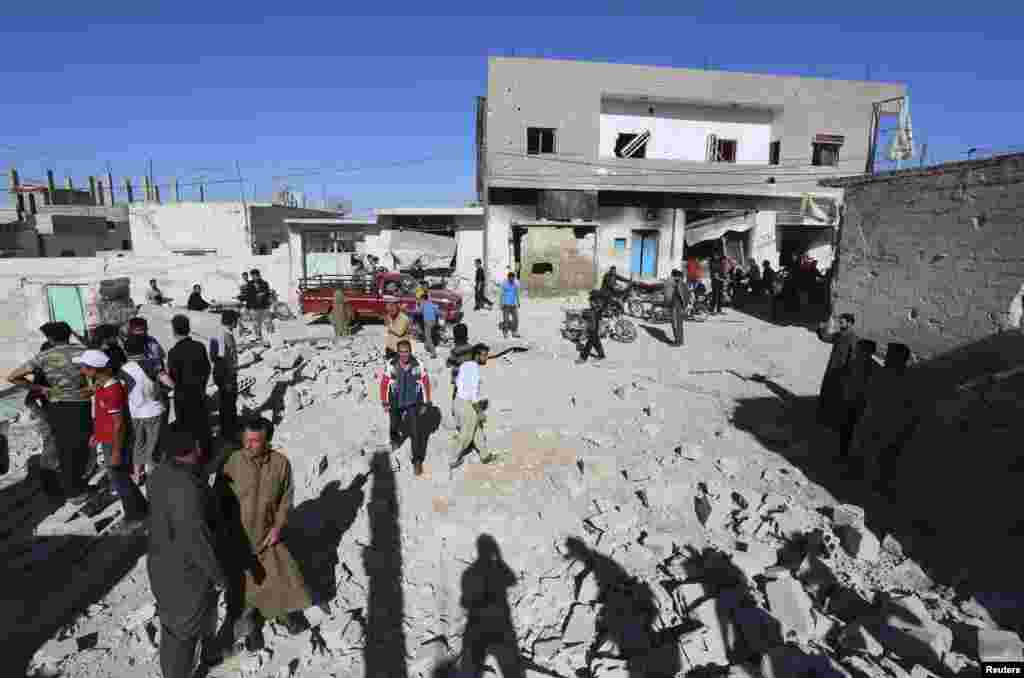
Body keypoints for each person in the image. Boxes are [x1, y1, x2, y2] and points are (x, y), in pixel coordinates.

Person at [215, 417, 312, 645]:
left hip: (268, 536)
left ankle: (284, 615)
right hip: (238, 538)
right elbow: (218, 499)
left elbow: (285, 501)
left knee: (277, 578)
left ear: (267, 441)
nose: (248, 445)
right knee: (244, 588)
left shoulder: (281, 464)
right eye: (246, 440)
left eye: (255, 441)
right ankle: (250, 629)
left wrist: (278, 527)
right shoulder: (232, 462)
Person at [147, 425, 225, 678]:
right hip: (186, 574)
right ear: (197, 449)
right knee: (181, 633)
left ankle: (211, 653)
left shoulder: (159, 474)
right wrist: (219, 576)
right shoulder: (187, 489)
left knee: (204, 609)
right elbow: (197, 542)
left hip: (162, 563)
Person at [8, 321, 93, 503]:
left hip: (57, 407)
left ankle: (73, 490)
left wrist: (42, 389)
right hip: (81, 404)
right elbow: (104, 371)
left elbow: (13, 377)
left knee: (64, 448)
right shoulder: (83, 352)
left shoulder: (44, 356)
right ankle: (75, 488)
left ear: (50, 339)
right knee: (81, 446)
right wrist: (92, 388)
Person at [74, 349, 149, 533]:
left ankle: (135, 517)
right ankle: (141, 508)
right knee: (120, 478)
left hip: (115, 442)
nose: (81, 370)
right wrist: (98, 434)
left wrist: (116, 451)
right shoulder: (102, 384)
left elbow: (119, 424)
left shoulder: (112, 390)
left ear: (94, 369)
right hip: (108, 438)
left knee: (119, 480)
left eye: (84, 367)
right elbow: (103, 415)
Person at [457, 535, 525, 678]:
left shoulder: (468, 573)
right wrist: (500, 559)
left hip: (476, 626)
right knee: (512, 671)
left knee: (470, 670)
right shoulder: (498, 569)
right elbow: (512, 580)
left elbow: (464, 603)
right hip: (501, 625)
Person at [854, 342, 915, 490]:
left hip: (881, 425)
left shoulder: (891, 376)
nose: (886, 358)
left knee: (874, 456)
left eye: (890, 355)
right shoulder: (900, 377)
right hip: (879, 423)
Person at [379, 339, 432, 476]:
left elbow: (425, 382)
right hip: (395, 399)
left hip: (412, 401)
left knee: (415, 431)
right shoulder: (391, 364)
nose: (404, 355)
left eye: (406, 352)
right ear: (397, 352)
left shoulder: (418, 364)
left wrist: (426, 402)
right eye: (401, 352)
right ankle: (395, 440)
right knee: (394, 424)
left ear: (410, 352)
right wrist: (385, 401)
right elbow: (384, 383)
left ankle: (417, 460)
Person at [122, 335, 166, 485]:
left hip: (135, 412)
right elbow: (166, 380)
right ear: (144, 349)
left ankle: (137, 474)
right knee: (153, 443)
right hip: (154, 410)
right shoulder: (152, 363)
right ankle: (152, 474)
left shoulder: (123, 369)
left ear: (126, 351)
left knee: (138, 443)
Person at [167, 314, 212, 457]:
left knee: (186, 428)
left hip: (183, 396)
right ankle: (205, 454)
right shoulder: (200, 347)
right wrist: (202, 385)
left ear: (174, 331)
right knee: (201, 425)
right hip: (199, 392)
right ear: (188, 328)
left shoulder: (173, 352)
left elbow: (172, 377)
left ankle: (191, 456)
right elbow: (207, 369)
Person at [451, 343, 490, 471]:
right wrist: (480, 412)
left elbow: (457, 383)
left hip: (458, 401)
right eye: (484, 355)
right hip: (467, 405)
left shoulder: (465, 365)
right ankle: (454, 458)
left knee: (476, 429)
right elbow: (472, 395)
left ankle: (485, 455)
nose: (486, 358)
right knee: (466, 435)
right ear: (477, 355)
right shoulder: (474, 369)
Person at [816, 313, 857, 430]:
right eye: (840, 322)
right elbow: (826, 338)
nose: (840, 324)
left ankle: (834, 421)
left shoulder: (853, 338)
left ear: (849, 323)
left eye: (842, 322)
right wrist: (821, 329)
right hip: (832, 368)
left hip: (842, 371)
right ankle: (824, 418)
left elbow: (853, 357)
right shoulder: (840, 335)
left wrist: (848, 373)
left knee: (837, 396)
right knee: (827, 392)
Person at [838, 339, 877, 462]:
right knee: (845, 429)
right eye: (858, 349)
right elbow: (845, 380)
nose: (857, 351)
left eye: (860, 349)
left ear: (868, 352)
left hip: (860, 404)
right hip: (849, 400)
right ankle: (843, 452)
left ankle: (849, 455)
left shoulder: (872, 367)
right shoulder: (854, 363)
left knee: (854, 431)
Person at [210, 310, 240, 444]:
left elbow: (213, 356)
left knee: (226, 403)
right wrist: (227, 379)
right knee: (229, 405)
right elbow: (221, 359)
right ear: (232, 322)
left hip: (223, 374)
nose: (237, 323)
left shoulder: (218, 333)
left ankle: (227, 430)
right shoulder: (224, 336)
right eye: (236, 321)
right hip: (226, 375)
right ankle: (229, 433)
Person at [446, 323, 474, 415]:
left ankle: (455, 411)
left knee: (456, 395)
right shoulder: (471, 348)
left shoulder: (455, 350)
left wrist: (448, 362)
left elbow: (449, 363)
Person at [576, 291, 606, 365]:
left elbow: (595, 312)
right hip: (593, 326)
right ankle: (601, 355)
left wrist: (585, 313)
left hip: (593, 327)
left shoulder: (598, 304)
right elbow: (592, 311)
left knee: (589, 343)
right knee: (596, 342)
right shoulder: (597, 304)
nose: (590, 302)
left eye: (591, 301)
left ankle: (583, 358)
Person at [243, 269, 272, 343]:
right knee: (256, 324)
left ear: (259, 275)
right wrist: (247, 308)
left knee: (268, 322)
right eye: (253, 276)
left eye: (256, 275)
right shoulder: (249, 284)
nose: (254, 277)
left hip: (264, 307)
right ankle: (258, 338)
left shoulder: (264, 283)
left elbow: (268, 293)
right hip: (254, 308)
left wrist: (263, 294)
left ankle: (271, 337)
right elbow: (248, 296)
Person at [664, 269, 689, 347]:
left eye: (672, 276)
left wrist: (683, 306)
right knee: (679, 324)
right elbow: (686, 296)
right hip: (678, 306)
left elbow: (682, 296)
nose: (671, 277)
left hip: (676, 306)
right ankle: (680, 341)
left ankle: (678, 342)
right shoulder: (681, 284)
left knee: (676, 324)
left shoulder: (678, 284)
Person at [416, 288, 440, 359]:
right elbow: (437, 311)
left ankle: (433, 353)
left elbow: (419, 312)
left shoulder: (423, 304)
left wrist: (413, 310)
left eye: (421, 299)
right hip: (433, 322)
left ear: (423, 299)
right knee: (428, 336)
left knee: (428, 337)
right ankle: (427, 347)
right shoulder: (431, 303)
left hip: (428, 322)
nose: (420, 300)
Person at [500, 271, 521, 339]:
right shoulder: (504, 283)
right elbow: (501, 294)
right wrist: (501, 303)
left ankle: (514, 332)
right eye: (511, 278)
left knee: (516, 319)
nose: (512, 280)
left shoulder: (516, 283)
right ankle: (505, 333)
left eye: (513, 278)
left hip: (513, 305)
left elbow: (517, 293)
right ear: (508, 278)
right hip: (506, 305)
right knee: (506, 320)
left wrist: (518, 302)